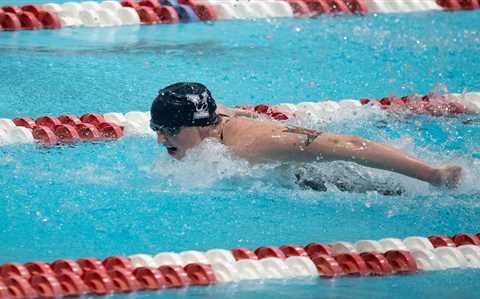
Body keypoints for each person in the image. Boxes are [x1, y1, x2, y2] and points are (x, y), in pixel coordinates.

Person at [150, 82, 463, 190]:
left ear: (200, 125)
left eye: (170, 131)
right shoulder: (211, 122)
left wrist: (434, 175)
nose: (161, 140)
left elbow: (347, 144)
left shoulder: (252, 146)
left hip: (339, 181)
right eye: (158, 130)